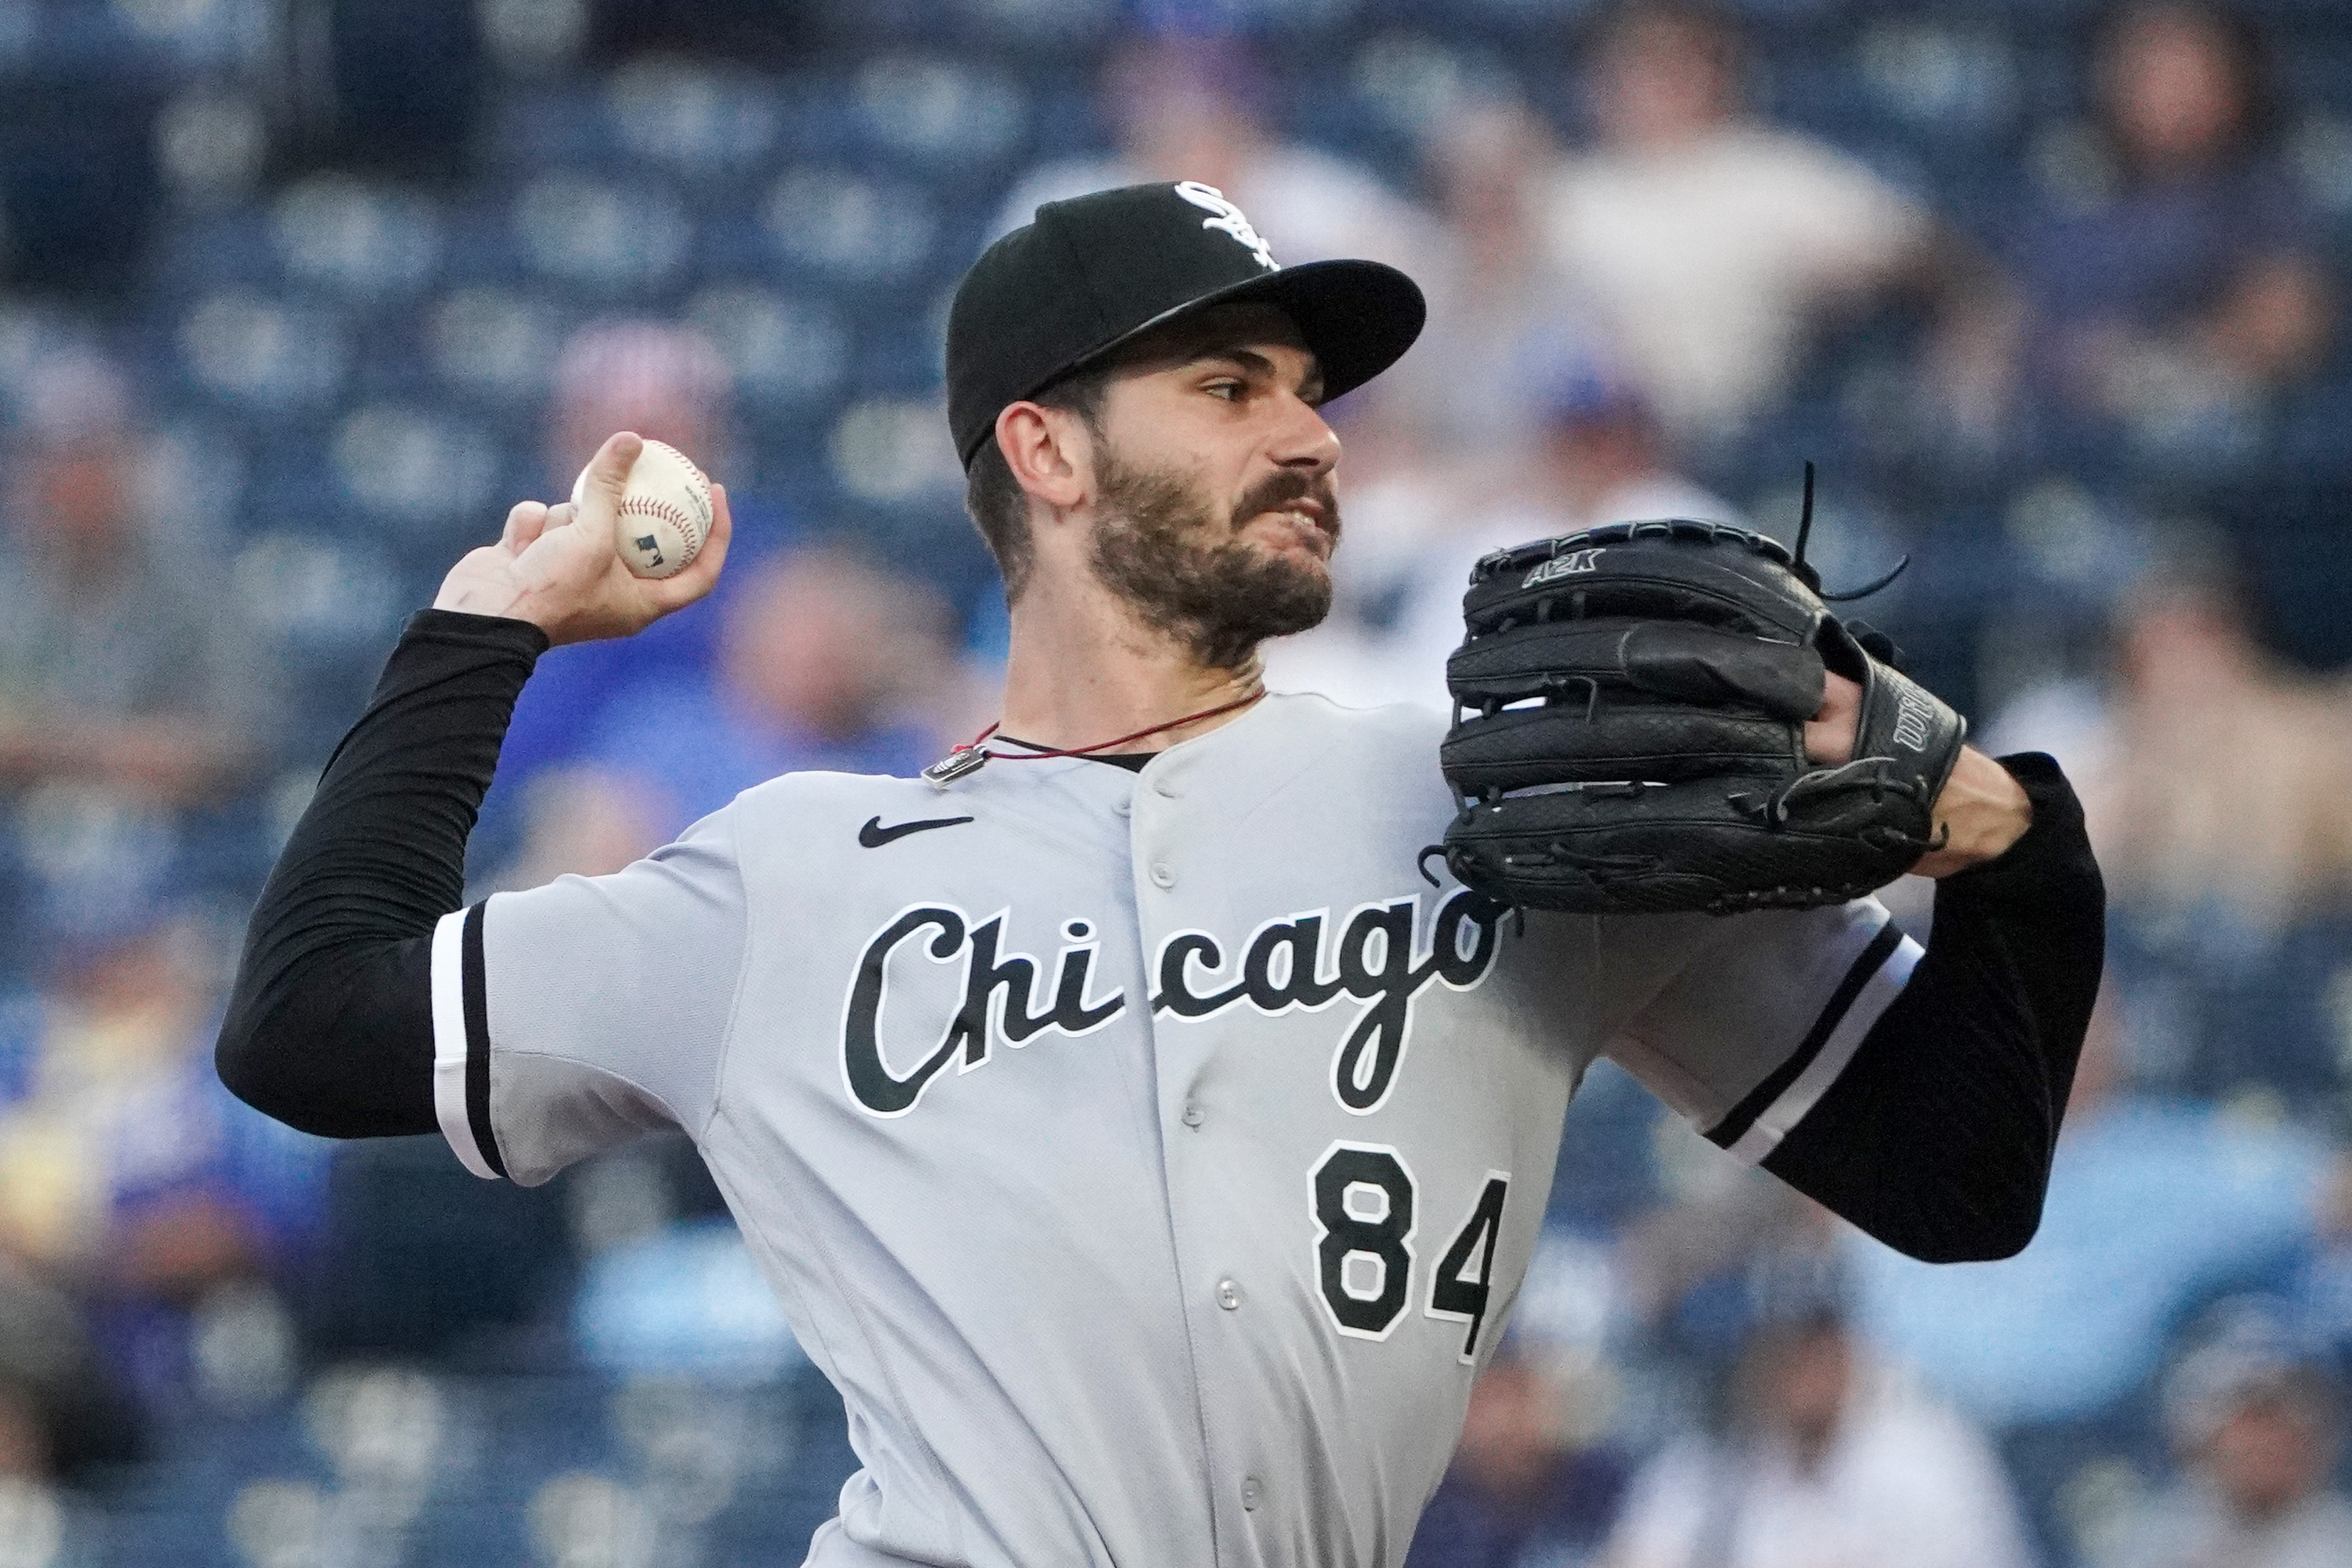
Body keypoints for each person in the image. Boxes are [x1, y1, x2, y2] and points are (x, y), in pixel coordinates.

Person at [215, 183, 2101, 1567]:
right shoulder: (787, 879)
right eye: (1228, 383)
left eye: (1305, 389)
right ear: (1044, 446)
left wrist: (2009, 832)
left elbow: (1957, 1175)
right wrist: (483, 628)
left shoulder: (1516, 810)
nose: (1307, 433)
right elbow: (308, 1022)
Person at [1537, 0, 2012, 442]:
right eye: (1633, 65)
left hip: (1731, 438)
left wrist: (1967, 350)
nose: (1652, 84)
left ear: (1717, 72)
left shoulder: (1773, 175)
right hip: (1579, 441)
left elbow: (1936, 258)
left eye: (1675, 63)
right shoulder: (1560, 192)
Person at [2010, 2, 2333, 443]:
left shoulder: (2261, 195)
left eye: (2187, 71)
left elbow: (2288, 319)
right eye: (2146, 68)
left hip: (2193, 441)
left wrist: (2154, 364)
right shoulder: (2055, 179)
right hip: (2048, 429)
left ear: (2235, 84)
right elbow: (1995, 304)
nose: (2166, 93)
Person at [1603, 1293, 2035, 1568]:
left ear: (1847, 1349)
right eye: (1783, 1348)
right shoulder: (1706, 1469)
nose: (1802, 1368)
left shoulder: (1927, 1454)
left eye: (1816, 1346)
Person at [2098, 1313, 2352, 1568]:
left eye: (2282, 1420)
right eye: (2246, 1419)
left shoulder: (2338, 1543)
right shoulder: (2152, 1540)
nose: (2265, 1441)